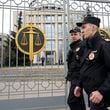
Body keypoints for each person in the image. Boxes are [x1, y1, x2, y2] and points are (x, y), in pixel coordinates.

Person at [74, 16, 110, 110]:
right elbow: (84, 68)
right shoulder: (88, 47)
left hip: (100, 94)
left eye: (84, 27)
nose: (82, 31)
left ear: (93, 28)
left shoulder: (103, 46)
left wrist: (101, 92)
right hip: (92, 94)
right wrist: (79, 84)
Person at [66, 27, 86, 110]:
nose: (73, 36)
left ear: (80, 35)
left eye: (75, 34)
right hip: (74, 77)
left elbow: (82, 64)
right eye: (72, 34)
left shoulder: (81, 45)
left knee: (72, 101)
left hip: (77, 78)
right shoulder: (73, 47)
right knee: (78, 99)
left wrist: (78, 81)